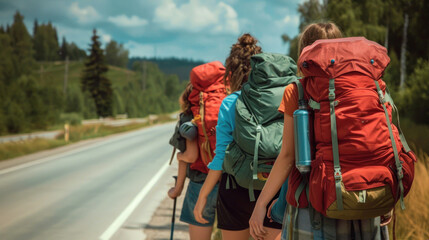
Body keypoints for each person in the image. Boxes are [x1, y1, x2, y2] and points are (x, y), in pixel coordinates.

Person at [249, 22, 396, 240]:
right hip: (367, 197)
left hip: (316, 203)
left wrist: (261, 205)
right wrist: (386, 197)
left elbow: (288, 156)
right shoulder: (372, 87)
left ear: (305, 52)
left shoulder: (297, 90)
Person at [193, 33, 283, 240]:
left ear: (230, 72)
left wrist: (203, 195)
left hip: (235, 188)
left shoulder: (229, 103)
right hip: (273, 188)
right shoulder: (279, 99)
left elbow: (221, 156)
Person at [167, 82, 216, 240]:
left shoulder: (188, 117)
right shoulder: (225, 108)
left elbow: (189, 157)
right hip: (229, 183)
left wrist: (177, 189)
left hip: (200, 183)